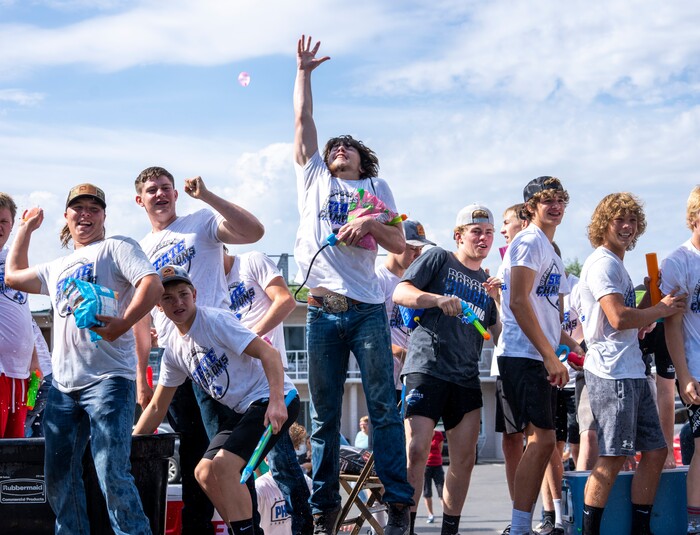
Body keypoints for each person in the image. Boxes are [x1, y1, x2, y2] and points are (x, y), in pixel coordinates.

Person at [293, 34, 414, 535]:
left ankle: (399, 504)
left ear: (363, 162)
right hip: (322, 308)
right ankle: (323, 511)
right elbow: (303, 125)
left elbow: (399, 245)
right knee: (322, 416)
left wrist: (369, 224)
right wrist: (303, 72)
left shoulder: (375, 189)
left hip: (365, 308)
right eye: (334, 147)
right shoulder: (314, 177)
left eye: (349, 147)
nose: (338, 149)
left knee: (383, 406)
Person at [6, 183, 163, 534]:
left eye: (95, 208)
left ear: (105, 216)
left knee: (112, 473)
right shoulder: (57, 266)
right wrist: (25, 229)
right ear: (67, 215)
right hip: (62, 388)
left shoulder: (117, 247)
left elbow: (152, 285)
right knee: (59, 477)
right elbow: (13, 276)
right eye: (79, 208)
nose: (86, 214)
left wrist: (123, 323)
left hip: (108, 381)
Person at [134, 166, 264, 535]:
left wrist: (207, 195)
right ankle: (197, 529)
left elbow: (253, 231)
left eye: (165, 188)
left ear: (175, 194)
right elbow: (142, 319)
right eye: (151, 190)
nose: (159, 194)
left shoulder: (201, 221)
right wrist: (143, 376)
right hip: (176, 358)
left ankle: (246, 527)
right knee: (191, 453)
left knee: (227, 456)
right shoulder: (140, 250)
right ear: (139, 200)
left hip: (216, 353)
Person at [133, 265, 299, 535]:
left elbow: (270, 354)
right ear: (158, 306)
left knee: (224, 467)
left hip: (271, 399)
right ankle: (244, 530)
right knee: (204, 472)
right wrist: (130, 445)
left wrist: (277, 402)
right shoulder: (174, 350)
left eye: (183, 294)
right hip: (243, 411)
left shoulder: (216, 321)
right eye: (168, 298)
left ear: (195, 295)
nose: (178, 302)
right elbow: (156, 407)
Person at [579, 192, 686, 535]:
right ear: (603, 224)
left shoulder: (616, 264)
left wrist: (646, 306)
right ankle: (590, 530)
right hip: (612, 373)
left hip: (631, 370)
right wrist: (661, 308)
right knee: (611, 456)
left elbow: (622, 320)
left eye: (632, 221)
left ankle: (641, 528)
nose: (627, 227)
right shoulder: (604, 263)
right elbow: (617, 316)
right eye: (619, 220)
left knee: (655, 451)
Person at [393, 203, 501, 535]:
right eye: (475, 232)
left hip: (466, 377)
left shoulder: (487, 282)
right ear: (459, 236)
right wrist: (437, 299)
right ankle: (407, 526)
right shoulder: (440, 258)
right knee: (417, 449)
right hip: (427, 367)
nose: (482, 239)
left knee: (464, 459)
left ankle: (449, 530)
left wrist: (496, 300)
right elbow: (401, 291)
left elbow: (498, 337)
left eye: (488, 233)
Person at [494, 177, 584, 535]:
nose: (556, 205)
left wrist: (574, 347)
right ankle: (519, 526)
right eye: (547, 199)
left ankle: (524, 524)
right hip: (524, 354)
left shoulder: (550, 249)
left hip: (540, 354)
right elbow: (517, 301)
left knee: (543, 441)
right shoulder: (528, 241)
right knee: (544, 440)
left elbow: (546, 313)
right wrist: (550, 356)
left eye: (561, 199)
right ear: (530, 207)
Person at [224, 249, 314, 535]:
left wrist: (249, 340)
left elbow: (286, 301)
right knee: (243, 468)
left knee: (282, 463)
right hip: (236, 387)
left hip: (266, 379)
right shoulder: (209, 282)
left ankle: (304, 528)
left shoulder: (250, 261)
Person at [660, 185, 700, 534]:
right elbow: (672, 326)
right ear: (693, 219)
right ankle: (693, 524)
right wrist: (684, 375)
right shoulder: (678, 261)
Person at [490, 203, 528, 535]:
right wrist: (497, 300)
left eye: (506, 223)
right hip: (505, 360)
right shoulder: (505, 259)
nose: (503, 230)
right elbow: (500, 330)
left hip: (530, 358)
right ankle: (519, 518)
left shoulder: (532, 252)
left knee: (544, 440)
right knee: (511, 441)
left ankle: (545, 513)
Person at [376, 219, 435, 400]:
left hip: (413, 375)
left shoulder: (418, 283)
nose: (418, 255)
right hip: (385, 377)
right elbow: (369, 333)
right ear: (395, 245)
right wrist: (400, 352)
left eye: (420, 250)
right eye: (412, 249)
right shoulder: (378, 280)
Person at [1, 192, 40, 438]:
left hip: (21, 373)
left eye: (3, 222)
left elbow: (23, 311)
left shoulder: (13, 261)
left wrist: (34, 359)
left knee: (14, 449)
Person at [24, 318, 53, 437]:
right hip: (46, 376)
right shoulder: (21, 307)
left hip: (36, 380)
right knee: (39, 432)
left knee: (20, 431)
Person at [423, 430, 445, 524]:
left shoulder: (438, 434)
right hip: (426, 467)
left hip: (437, 466)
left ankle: (446, 514)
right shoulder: (423, 434)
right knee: (427, 492)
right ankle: (430, 514)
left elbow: (440, 449)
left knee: (442, 491)